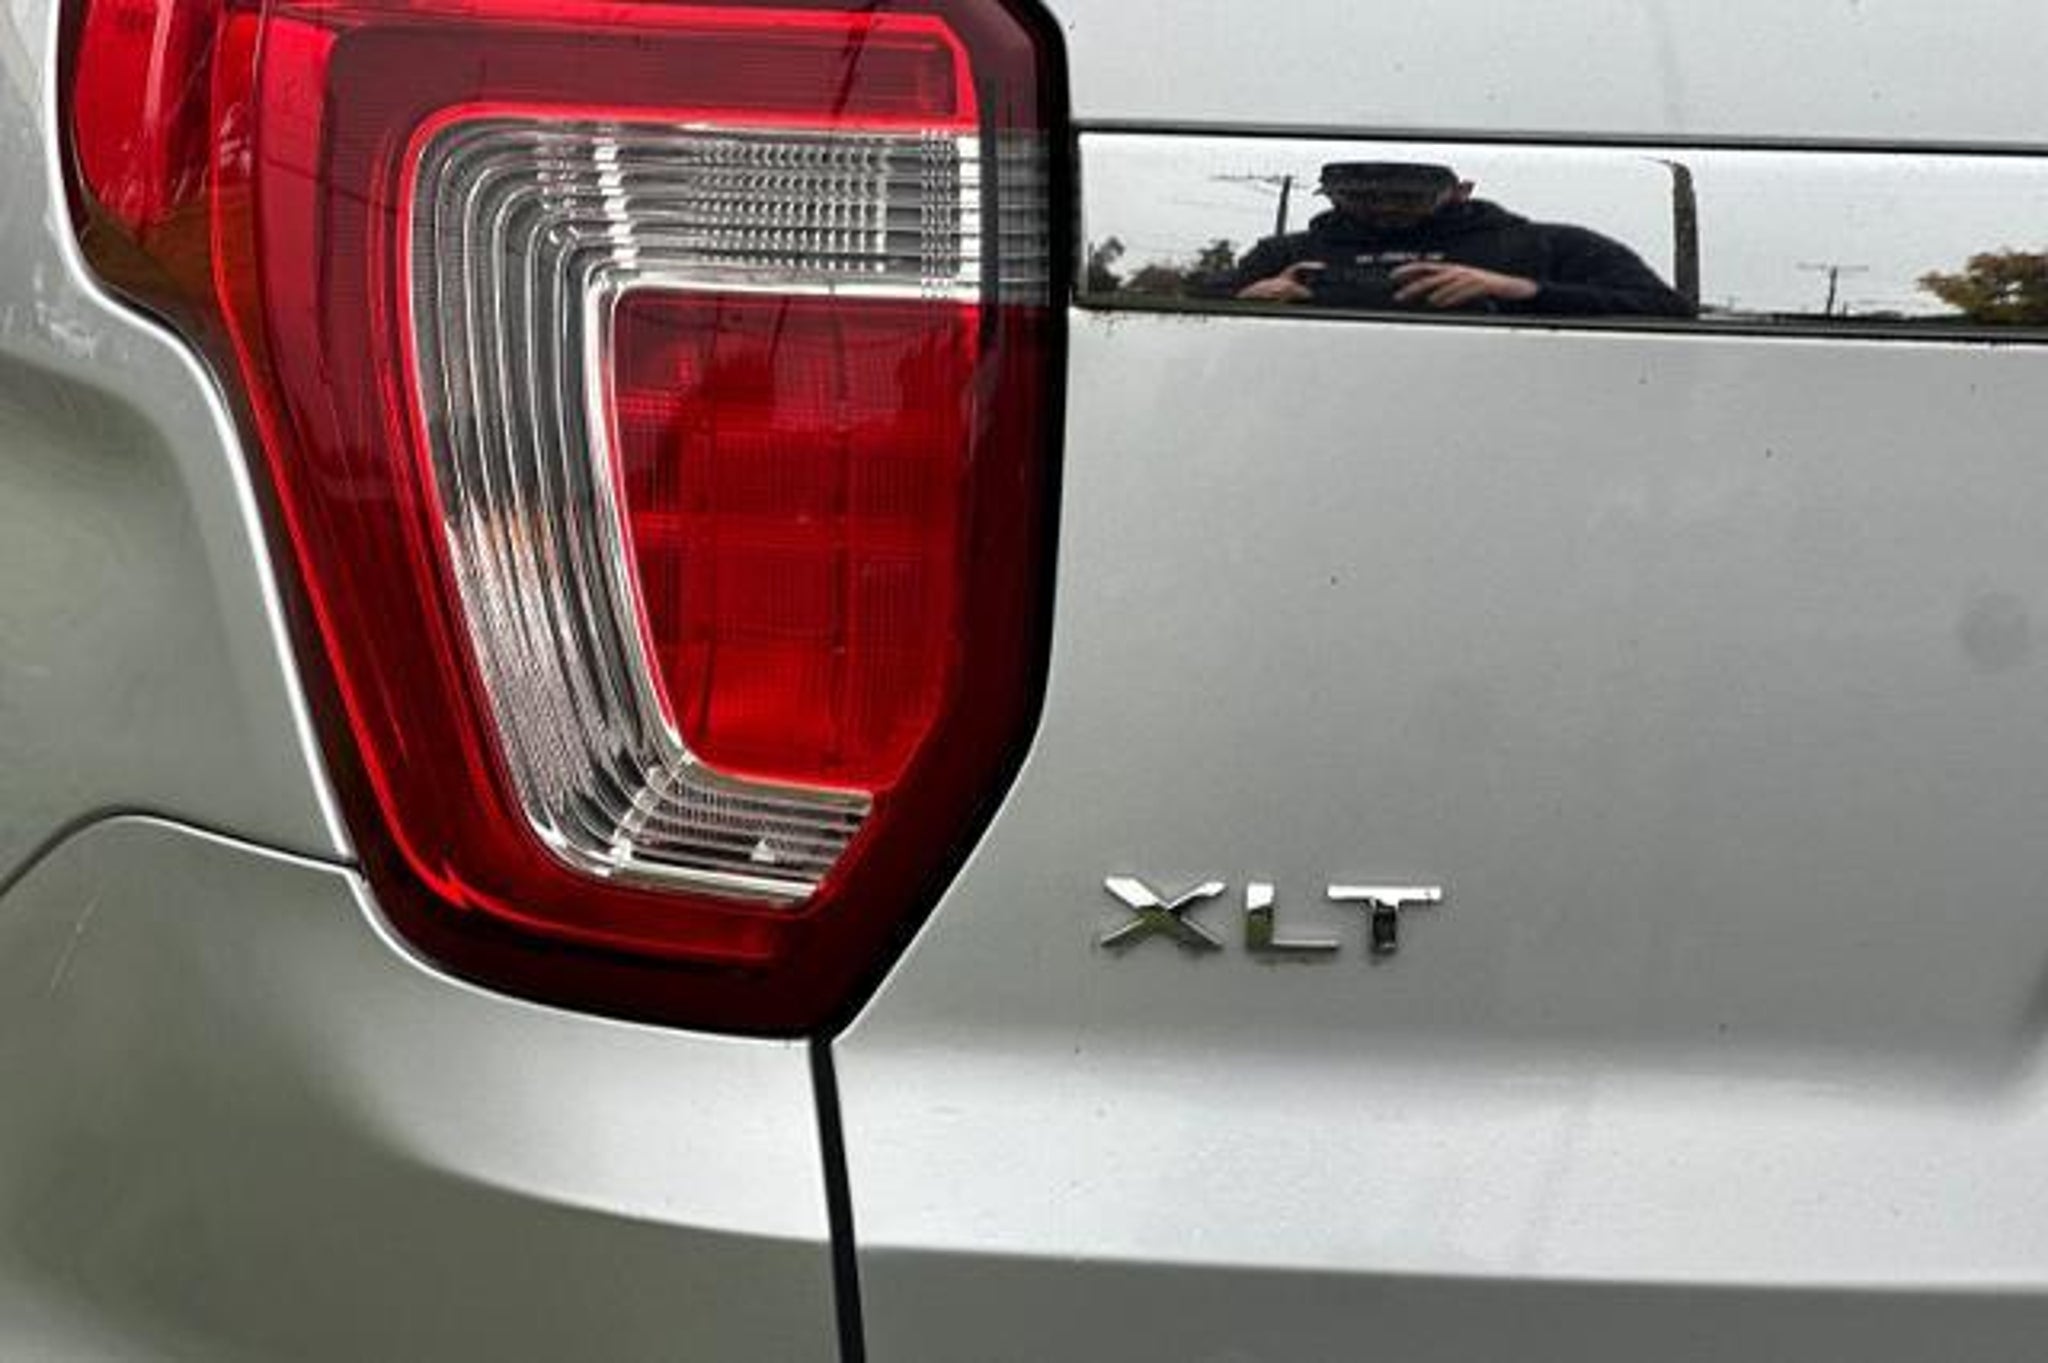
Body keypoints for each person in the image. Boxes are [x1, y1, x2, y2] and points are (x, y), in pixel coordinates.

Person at [1227, 161, 1695, 318]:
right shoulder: (1285, 253)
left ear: (1461, 191)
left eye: (1407, 198)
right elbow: (1189, 304)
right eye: (1362, 197)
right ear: (1330, 195)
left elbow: (1669, 310)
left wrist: (1523, 290)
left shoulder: (1548, 246)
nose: (1385, 209)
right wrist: (1249, 299)